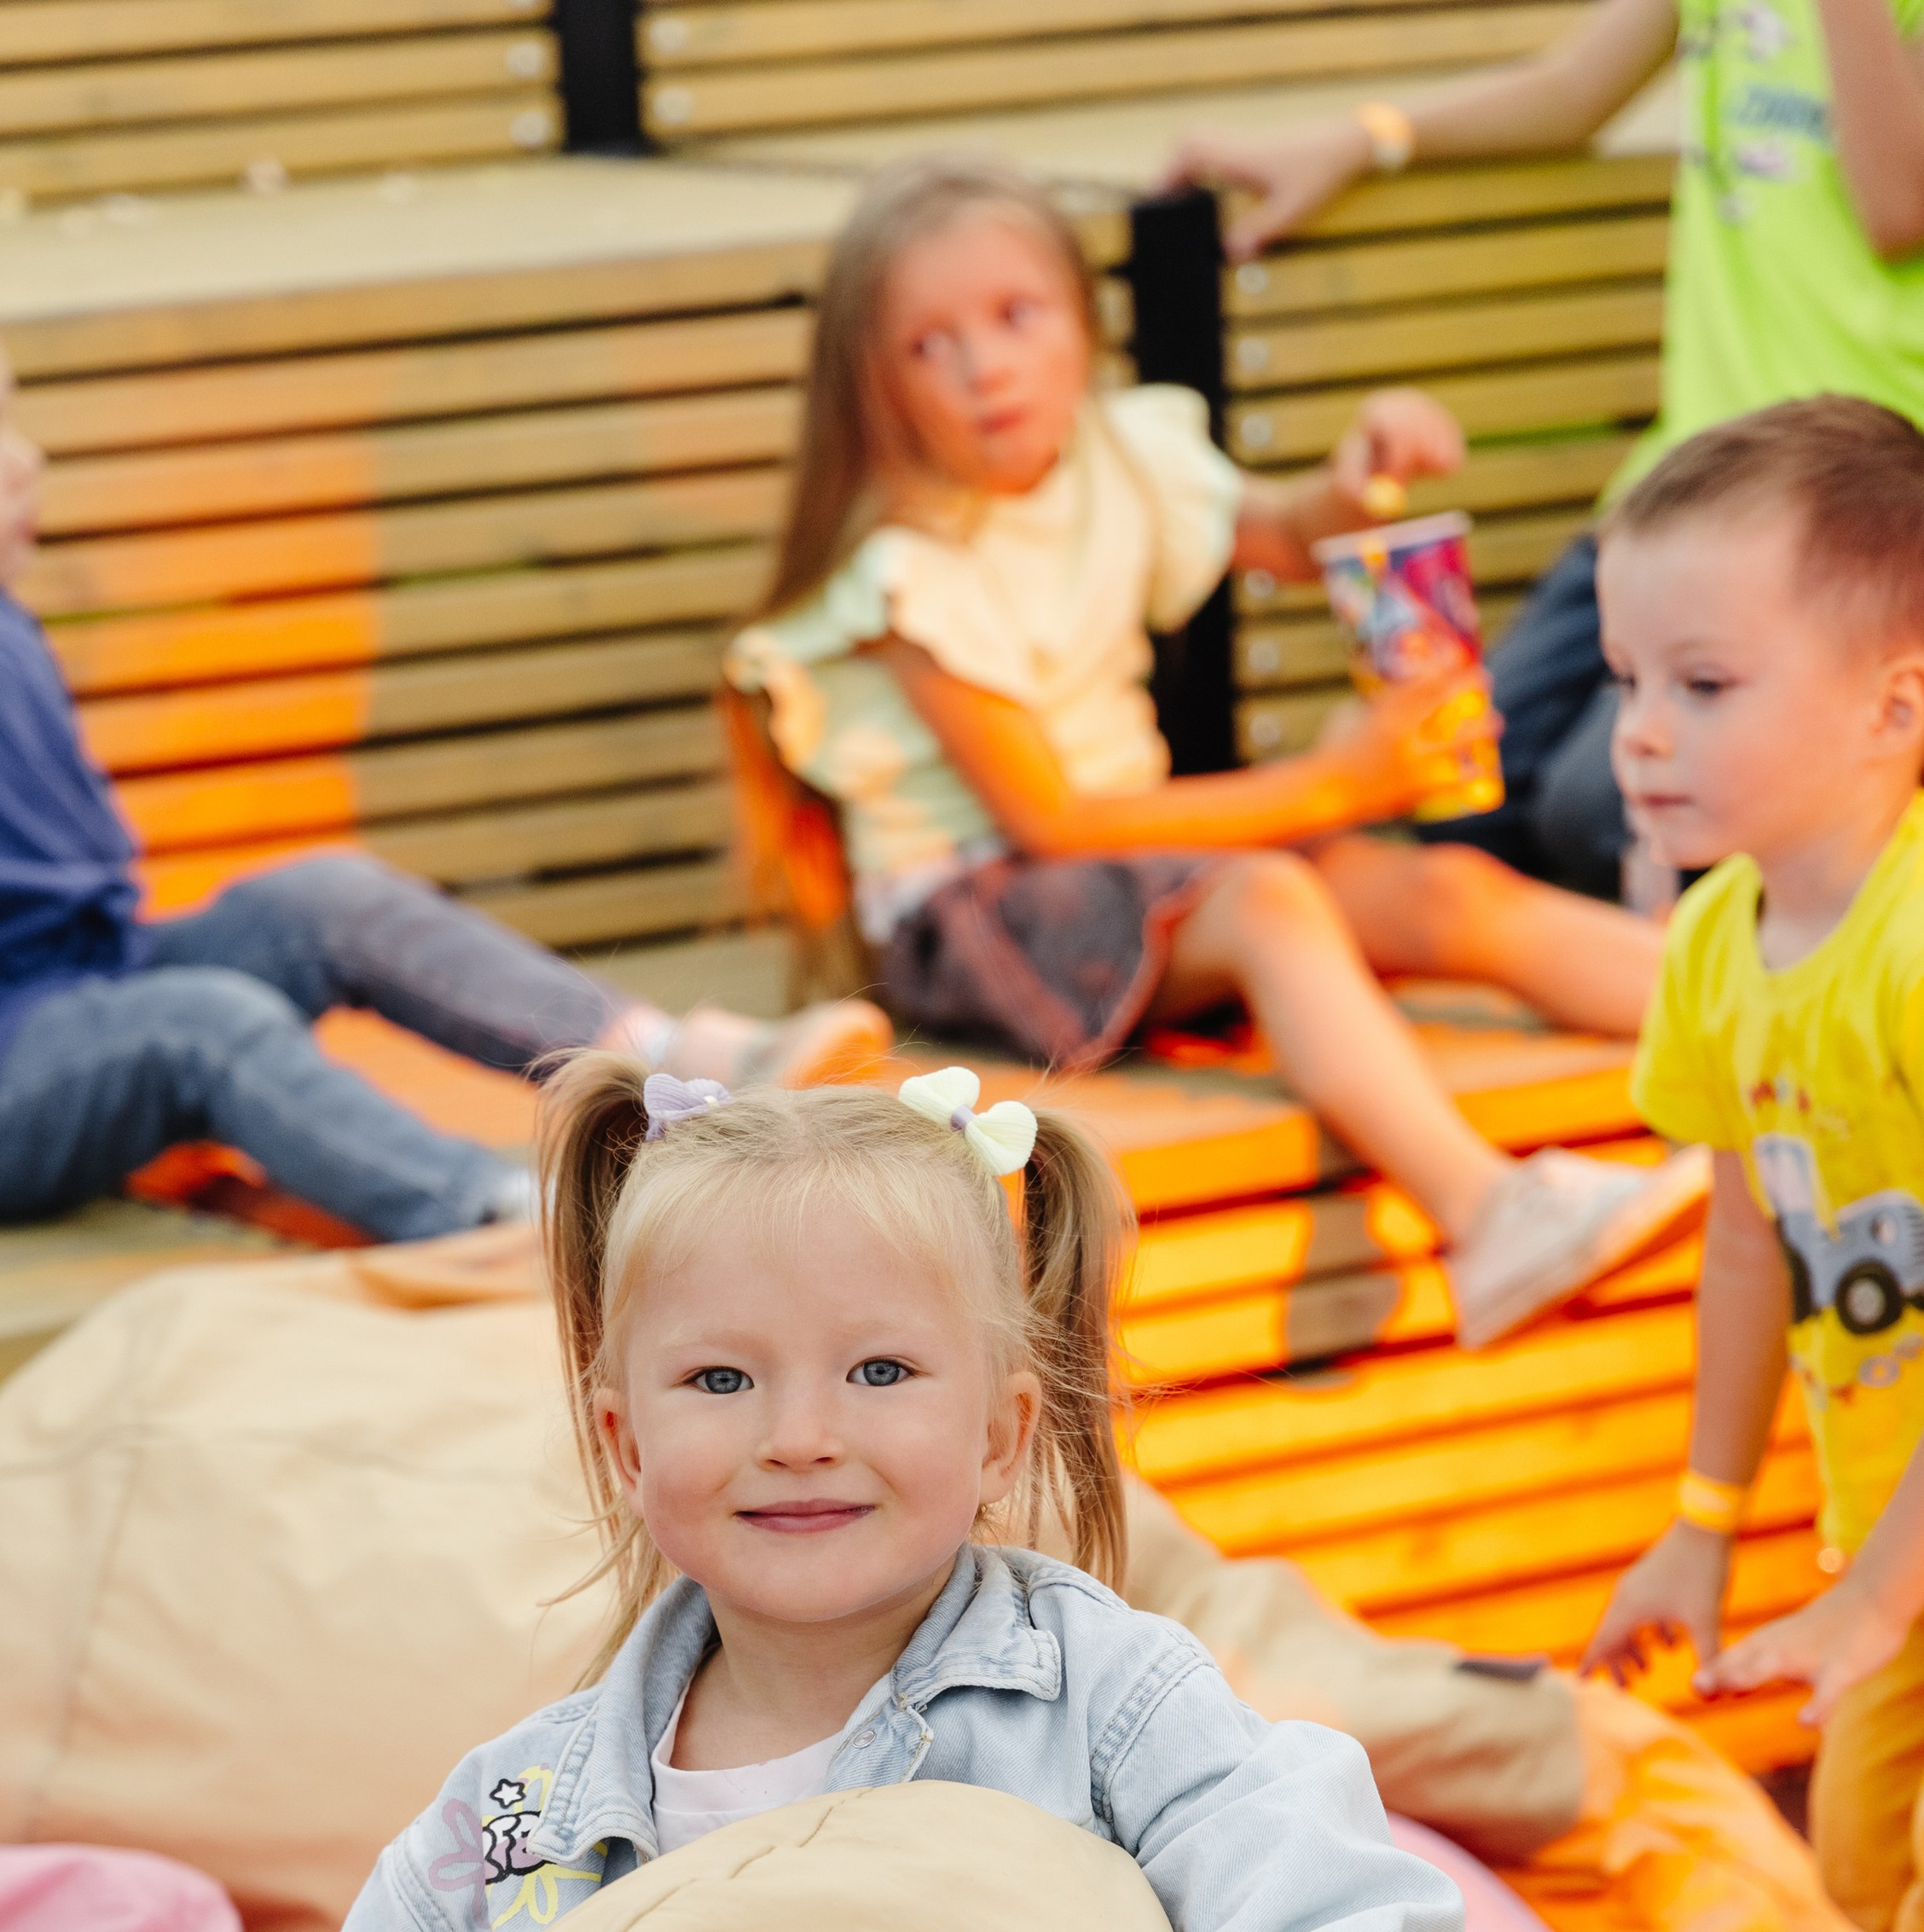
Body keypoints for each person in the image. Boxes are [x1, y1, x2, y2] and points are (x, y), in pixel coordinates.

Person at [302, 1053, 1465, 1932]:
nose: (800, 1434)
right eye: (718, 1380)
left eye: (879, 1369)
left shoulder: (1105, 1700)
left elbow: (1315, 1888)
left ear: (1002, 1435)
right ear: (626, 1444)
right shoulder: (514, 1825)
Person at [723, 156, 1707, 1355]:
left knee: (1445, 889)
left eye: (1015, 317)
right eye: (929, 345)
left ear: (1081, 327)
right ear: (870, 385)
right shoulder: (906, 575)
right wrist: (1339, 785)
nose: (985, 368)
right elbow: (1051, 824)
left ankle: (1760, 1016)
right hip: (975, 915)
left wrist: (1359, 478)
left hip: (1139, 867)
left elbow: (1290, 534)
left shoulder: (1118, 461)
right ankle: (1489, 1212)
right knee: (1274, 896)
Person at [0, 284, 886, 1267]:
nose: (23, 461)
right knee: (204, 1021)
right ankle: (488, 1209)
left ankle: (661, 1065)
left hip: (87, 991)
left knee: (324, 897)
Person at [1165, 0, 1924, 897]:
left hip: (1853, 515)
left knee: (1593, 811)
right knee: (1460, 795)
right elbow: (1568, 90)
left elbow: (1899, 205)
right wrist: (1366, 137)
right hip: (1681, 491)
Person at [1579, 399, 1924, 1932]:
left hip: (1893, 1569)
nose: (1640, 734)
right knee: (1851, 1902)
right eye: (1627, 679)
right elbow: (1744, 1239)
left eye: (1704, 687)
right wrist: (1706, 1520)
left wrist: (1873, 1594)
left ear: (1894, 704)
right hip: (1883, 1541)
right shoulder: (1718, 954)